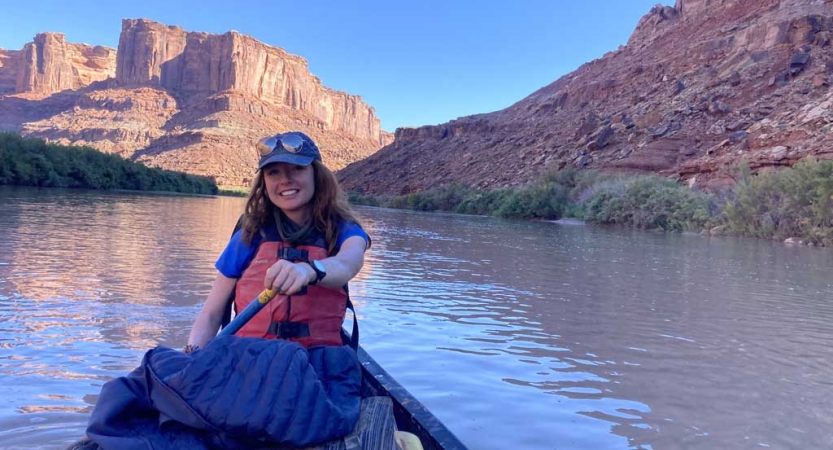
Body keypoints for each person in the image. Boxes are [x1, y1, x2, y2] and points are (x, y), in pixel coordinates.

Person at [185, 131, 370, 352]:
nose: (285, 180)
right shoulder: (250, 233)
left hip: (318, 362)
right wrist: (191, 355)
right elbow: (211, 314)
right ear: (264, 183)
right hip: (249, 359)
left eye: (298, 169)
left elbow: (348, 263)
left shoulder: (345, 229)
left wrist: (309, 270)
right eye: (274, 172)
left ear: (317, 175)